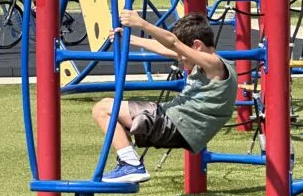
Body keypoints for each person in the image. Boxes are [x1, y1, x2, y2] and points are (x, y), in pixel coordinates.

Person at [91, 10, 238, 182]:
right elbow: (168, 48)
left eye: (183, 53)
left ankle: (131, 165)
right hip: (176, 125)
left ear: (197, 45)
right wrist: (130, 38)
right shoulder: (204, 62)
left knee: (102, 109)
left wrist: (141, 23)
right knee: (114, 117)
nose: (181, 60)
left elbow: (174, 43)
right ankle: (127, 162)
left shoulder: (214, 64)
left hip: (175, 124)